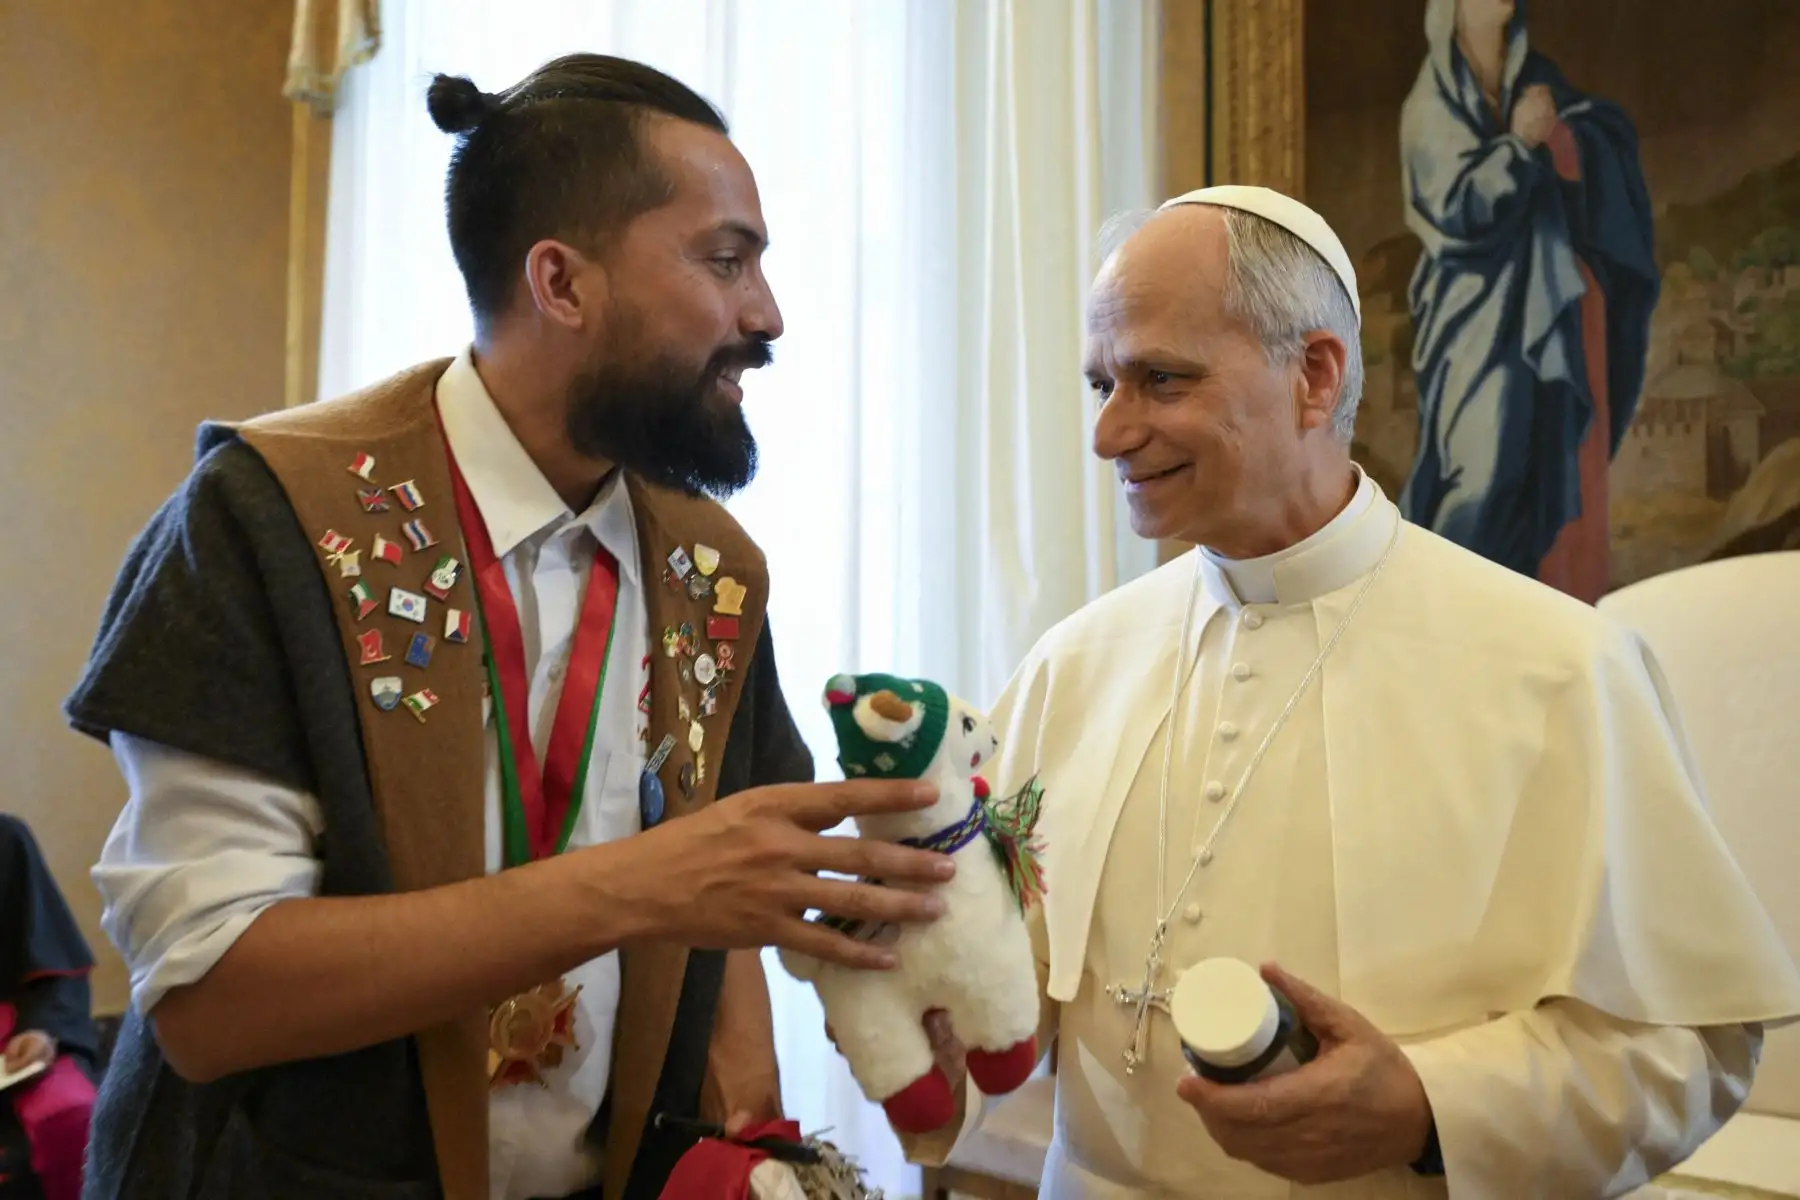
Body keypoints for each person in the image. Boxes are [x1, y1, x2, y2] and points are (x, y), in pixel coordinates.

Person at [64, 54, 955, 1200]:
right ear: (562, 283)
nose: (766, 315)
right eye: (725, 261)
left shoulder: (711, 568)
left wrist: (785, 1091)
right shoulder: (268, 520)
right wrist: (642, 884)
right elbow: (209, 1002)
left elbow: (731, 869)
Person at [893, 186, 1800, 1198]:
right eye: (1101, 383)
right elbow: (995, 962)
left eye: (1159, 379)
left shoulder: (1559, 670)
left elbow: (1689, 1046)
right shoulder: (1071, 666)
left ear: (1314, 376)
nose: (1110, 433)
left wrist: (1425, 1104)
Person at [1396, 0, 1659, 603]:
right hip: (1471, 316)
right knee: (1480, 476)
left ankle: (1513, 622)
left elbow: (1589, 133)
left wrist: (1567, 138)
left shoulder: (1534, 78)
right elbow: (1457, 208)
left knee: (1537, 468)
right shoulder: (1431, 105)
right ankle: (1437, 615)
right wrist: (1519, 145)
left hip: (1541, 308)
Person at [0, 815, 100, 1200]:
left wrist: (39, 1029)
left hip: (14, 1039)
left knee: (69, 1113)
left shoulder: (5, 841)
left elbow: (55, 967)